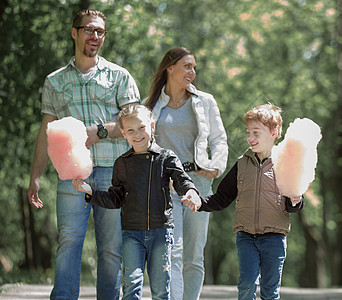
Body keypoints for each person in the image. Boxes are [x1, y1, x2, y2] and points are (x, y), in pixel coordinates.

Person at [27, 9, 140, 300]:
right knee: (68, 243)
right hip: (71, 176)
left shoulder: (119, 76)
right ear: (74, 32)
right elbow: (46, 132)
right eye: (89, 30)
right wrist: (35, 176)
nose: (95, 36)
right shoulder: (54, 81)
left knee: (111, 249)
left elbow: (136, 124)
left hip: (115, 174)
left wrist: (99, 131)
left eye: (100, 31)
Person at [72, 104, 201, 300]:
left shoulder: (166, 158)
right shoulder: (122, 164)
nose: (137, 134)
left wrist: (190, 191)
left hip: (161, 232)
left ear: (152, 126)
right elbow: (114, 199)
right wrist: (89, 191)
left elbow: (182, 179)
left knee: (160, 290)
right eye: (131, 130)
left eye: (141, 128)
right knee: (131, 286)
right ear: (123, 134)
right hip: (132, 234)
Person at [182, 103, 305, 300]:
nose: (250, 137)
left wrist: (296, 200)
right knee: (247, 284)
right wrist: (199, 201)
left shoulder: (285, 164)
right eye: (248, 132)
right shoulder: (242, 164)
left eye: (256, 132)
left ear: (274, 132)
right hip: (246, 237)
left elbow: (294, 204)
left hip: (274, 238)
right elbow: (222, 198)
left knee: (270, 290)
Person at [144, 47, 228, 300]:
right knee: (172, 252)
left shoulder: (205, 101)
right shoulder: (151, 105)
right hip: (165, 186)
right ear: (170, 67)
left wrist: (216, 166)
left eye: (194, 67)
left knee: (194, 255)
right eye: (187, 66)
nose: (192, 72)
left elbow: (219, 139)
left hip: (199, 185)